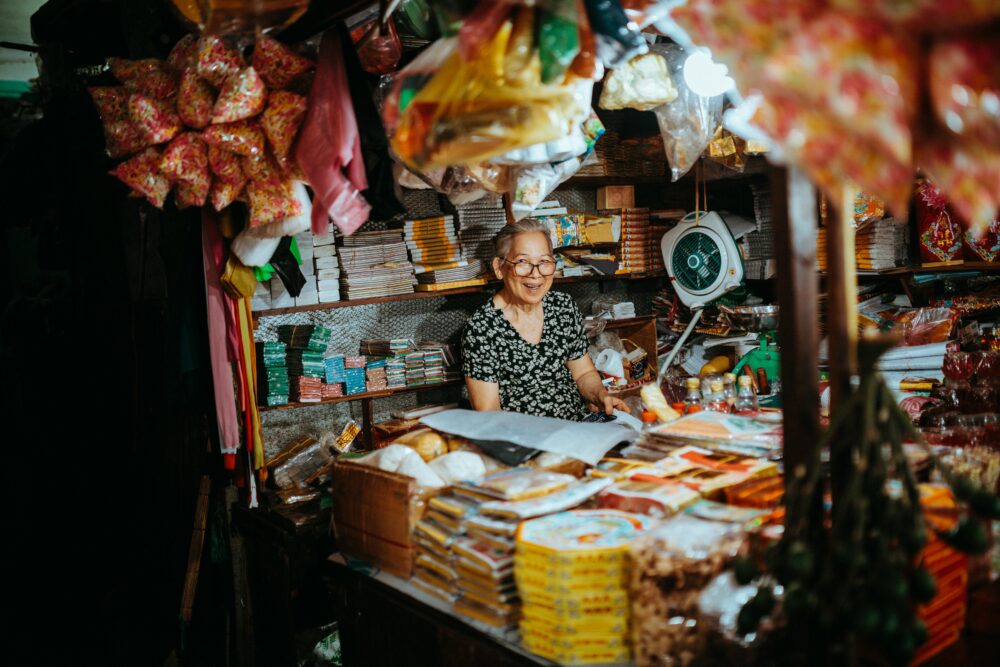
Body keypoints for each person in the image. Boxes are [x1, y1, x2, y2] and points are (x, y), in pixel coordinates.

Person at [462, 219, 630, 420]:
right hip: (522, 439)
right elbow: (488, 412)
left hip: (577, 427)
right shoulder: (481, 329)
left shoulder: (562, 306)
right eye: (522, 262)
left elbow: (583, 373)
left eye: (544, 262)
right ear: (499, 267)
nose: (536, 274)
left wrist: (601, 395)